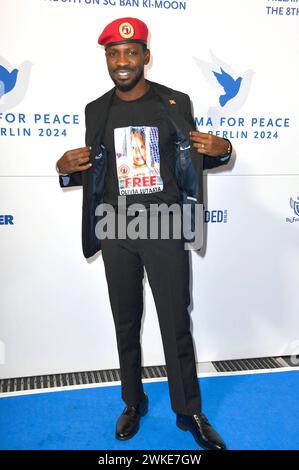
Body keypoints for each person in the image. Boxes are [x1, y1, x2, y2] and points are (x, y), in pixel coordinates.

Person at [56, 17, 232, 450]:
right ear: (106, 59)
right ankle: (133, 402)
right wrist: (63, 171)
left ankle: (188, 410)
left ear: (145, 58)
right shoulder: (96, 110)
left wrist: (225, 150)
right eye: (113, 53)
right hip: (115, 227)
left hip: (164, 226)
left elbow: (190, 160)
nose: (122, 61)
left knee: (175, 323)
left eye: (130, 53)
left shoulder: (174, 103)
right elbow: (97, 173)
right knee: (125, 322)